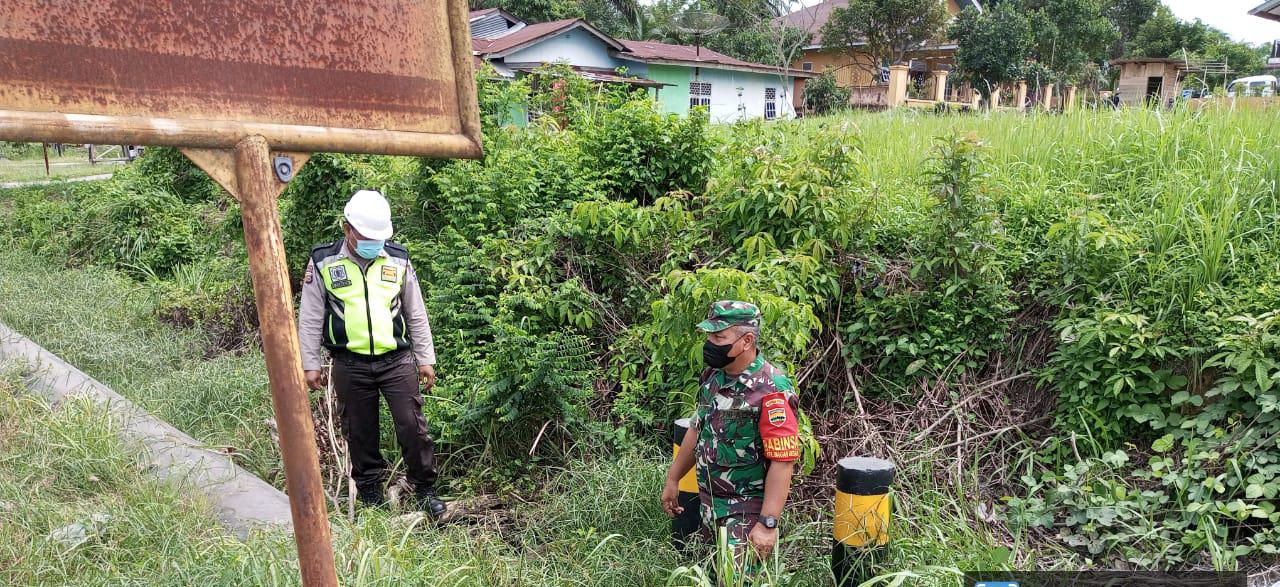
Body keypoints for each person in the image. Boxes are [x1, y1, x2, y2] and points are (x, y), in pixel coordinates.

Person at [297, 189, 446, 518]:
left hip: (397, 361)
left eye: (379, 237)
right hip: (350, 364)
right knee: (360, 431)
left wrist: (425, 358)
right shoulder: (324, 261)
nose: (374, 243)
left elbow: (415, 311)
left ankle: (425, 490)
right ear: (347, 228)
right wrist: (310, 364)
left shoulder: (398, 258)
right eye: (367, 236)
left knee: (412, 426)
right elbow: (309, 315)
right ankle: (370, 495)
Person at [661, 301, 801, 572]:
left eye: (719, 337)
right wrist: (673, 478)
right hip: (710, 507)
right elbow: (697, 427)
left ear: (747, 340)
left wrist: (768, 524)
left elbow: (782, 461)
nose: (710, 343)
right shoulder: (713, 377)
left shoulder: (771, 389)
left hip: (745, 514)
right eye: (709, 336)